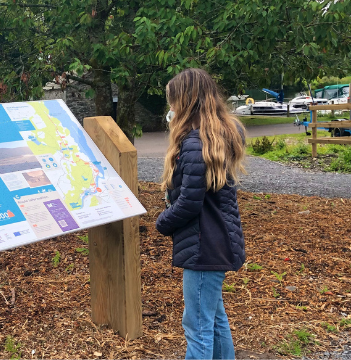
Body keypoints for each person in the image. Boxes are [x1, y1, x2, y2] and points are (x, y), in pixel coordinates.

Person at [156, 68, 247, 360]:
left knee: (197, 327)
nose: (170, 109)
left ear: (184, 102)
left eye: (172, 102)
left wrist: (161, 223)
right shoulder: (219, 136)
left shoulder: (195, 144)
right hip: (218, 243)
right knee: (215, 320)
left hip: (203, 247)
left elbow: (188, 203)